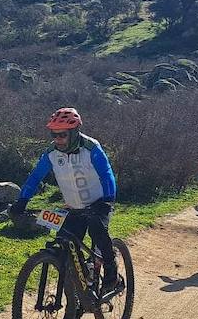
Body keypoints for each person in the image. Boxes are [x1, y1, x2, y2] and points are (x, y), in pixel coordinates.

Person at [8, 107, 120, 292]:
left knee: (97, 231)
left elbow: (107, 174)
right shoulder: (51, 153)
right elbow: (36, 177)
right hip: (74, 207)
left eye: (62, 135)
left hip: (98, 203)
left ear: (74, 133)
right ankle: (74, 302)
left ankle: (110, 268)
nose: (58, 139)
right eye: (54, 134)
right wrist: (22, 201)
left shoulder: (91, 148)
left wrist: (107, 200)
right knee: (64, 244)